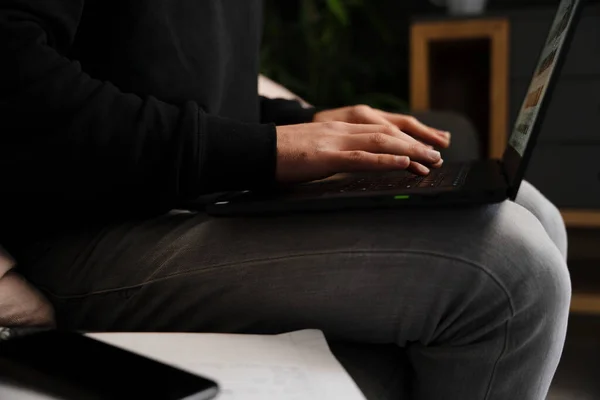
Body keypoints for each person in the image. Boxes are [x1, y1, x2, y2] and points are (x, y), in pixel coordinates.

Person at [0, 1, 571, 399]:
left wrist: (300, 123)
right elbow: (21, 90)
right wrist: (267, 150)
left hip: (195, 191)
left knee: (535, 211)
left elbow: (173, 85)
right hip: (90, 223)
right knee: (510, 269)